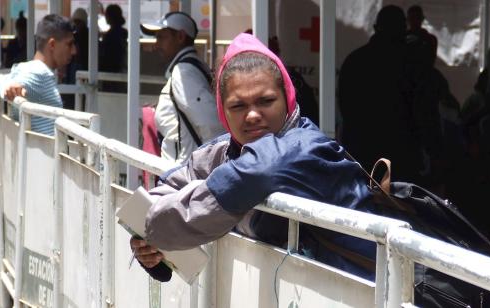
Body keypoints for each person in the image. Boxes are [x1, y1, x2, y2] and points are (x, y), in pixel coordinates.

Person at [130, 33, 376, 282]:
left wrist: (153, 230)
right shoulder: (225, 150)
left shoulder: (303, 149)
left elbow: (251, 175)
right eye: (238, 106)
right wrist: (152, 251)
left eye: (266, 101)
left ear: (288, 98)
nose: (253, 115)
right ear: (222, 111)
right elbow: (167, 190)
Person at [338, 5, 425, 184]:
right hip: (402, 154)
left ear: (377, 28)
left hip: (361, 153)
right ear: (403, 29)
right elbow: (423, 111)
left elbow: (345, 106)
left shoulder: (355, 60)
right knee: (402, 208)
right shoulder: (411, 63)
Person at [140, 12, 224, 163]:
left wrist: (210, 167)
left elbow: (211, 124)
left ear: (180, 37)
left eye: (161, 37)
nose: (156, 45)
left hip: (186, 174)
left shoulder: (184, 72)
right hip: (188, 172)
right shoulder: (191, 67)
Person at [0, 14, 77, 135]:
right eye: (69, 44)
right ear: (52, 45)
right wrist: (8, 87)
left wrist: (8, 85)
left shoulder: (34, 69)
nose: (74, 50)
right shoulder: (39, 74)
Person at [98, 4, 128, 92]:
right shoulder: (123, 33)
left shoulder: (110, 35)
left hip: (111, 72)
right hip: (121, 70)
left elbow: (107, 55)